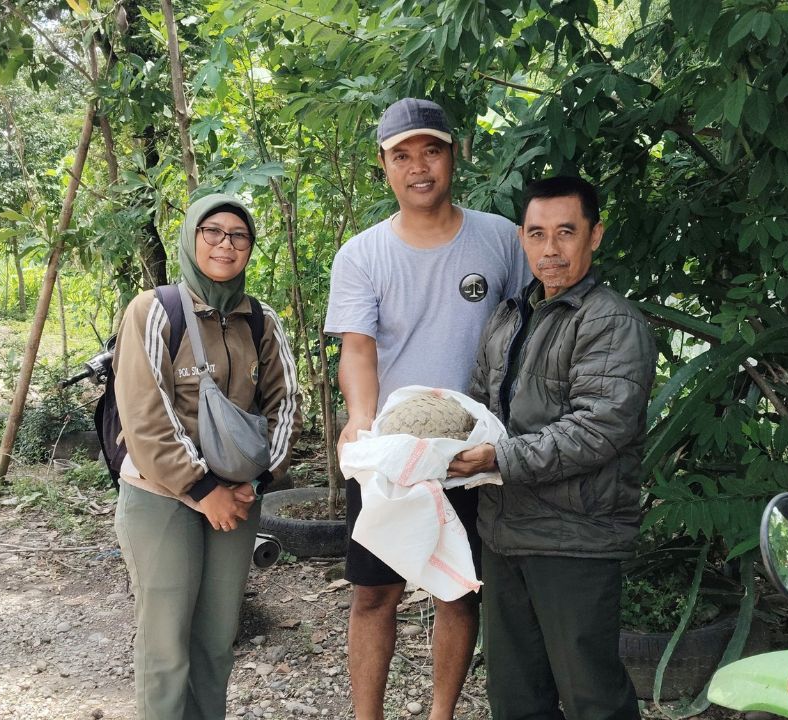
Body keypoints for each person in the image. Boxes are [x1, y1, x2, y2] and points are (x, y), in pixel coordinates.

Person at [325, 98, 532, 720]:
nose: (420, 167)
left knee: (459, 592)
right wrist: (362, 418)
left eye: (432, 151)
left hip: (473, 446)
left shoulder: (500, 238)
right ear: (384, 166)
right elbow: (357, 350)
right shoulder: (362, 254)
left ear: (454, 154)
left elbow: (529, 332)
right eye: (403, 155)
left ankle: (441, 713)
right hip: (396, 449)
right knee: (374, 593)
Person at [448, 176, 656, 720]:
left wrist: (499, 458)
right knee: (516, 696)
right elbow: (478, 406)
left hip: (575, 537)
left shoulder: (611, 321)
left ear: (595, 235)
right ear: (522, 238)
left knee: (592, 695)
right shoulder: (509, 314)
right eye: (537, 234)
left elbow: (598, 429)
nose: (551, 249)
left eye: (566, 232)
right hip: (504, 530)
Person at [112, 194, 301, 720]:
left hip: (238, 500)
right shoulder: (154, 311)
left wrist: (257, 482)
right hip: (162, 497)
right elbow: (146, 415)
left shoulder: (260, 320)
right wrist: (203, 492)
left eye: (238, 236)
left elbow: (286, 404)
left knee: (216, 639)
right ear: (192, 239)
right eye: (212, 232)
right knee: (166, 643)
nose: (225, 244)